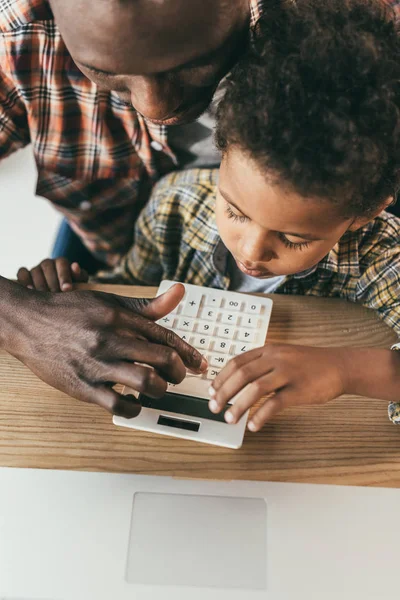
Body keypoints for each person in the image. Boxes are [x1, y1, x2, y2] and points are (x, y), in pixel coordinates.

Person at [20, 0, 400, 430]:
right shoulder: (175, 205)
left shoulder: (378, 255)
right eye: (235, 212)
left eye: (294, 239)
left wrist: (348, 371)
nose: (252, 251)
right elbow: (128, 293)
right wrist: (65, 293)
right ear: (220, 157)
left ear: (366, 214)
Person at [0, 0, 269, 416]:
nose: (154, 108)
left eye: (193, 62)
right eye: (104, 71)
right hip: (117, 258)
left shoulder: (353, 35)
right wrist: (19, 317)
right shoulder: (16, 33)